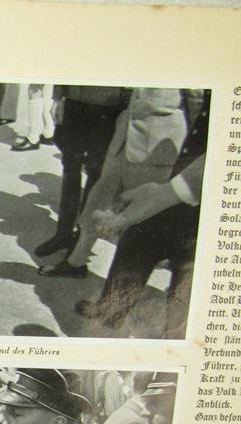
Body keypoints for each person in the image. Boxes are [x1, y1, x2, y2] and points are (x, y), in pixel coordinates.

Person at [74, 89, 209, 339]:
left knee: (190, 271)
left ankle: (174, 348)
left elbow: (195, 99)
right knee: (141, 230)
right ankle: (113, 308)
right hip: (189, 163)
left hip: (210, 184)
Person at [35, 86, 127, 258]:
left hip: (107, 106)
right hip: (74, 102)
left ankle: (81, 240)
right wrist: (58, 98)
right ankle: (63, 234)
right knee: (70, 167)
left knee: (95, 172)